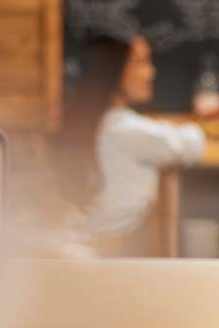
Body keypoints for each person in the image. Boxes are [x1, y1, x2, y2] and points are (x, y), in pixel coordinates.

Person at [55, 34, 204, 255]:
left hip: (80, 250)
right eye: (141, 63)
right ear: (113, 70)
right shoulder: (125, 130)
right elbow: (190, 143)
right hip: (100, 257)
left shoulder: (91, 123)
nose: (151, 73)